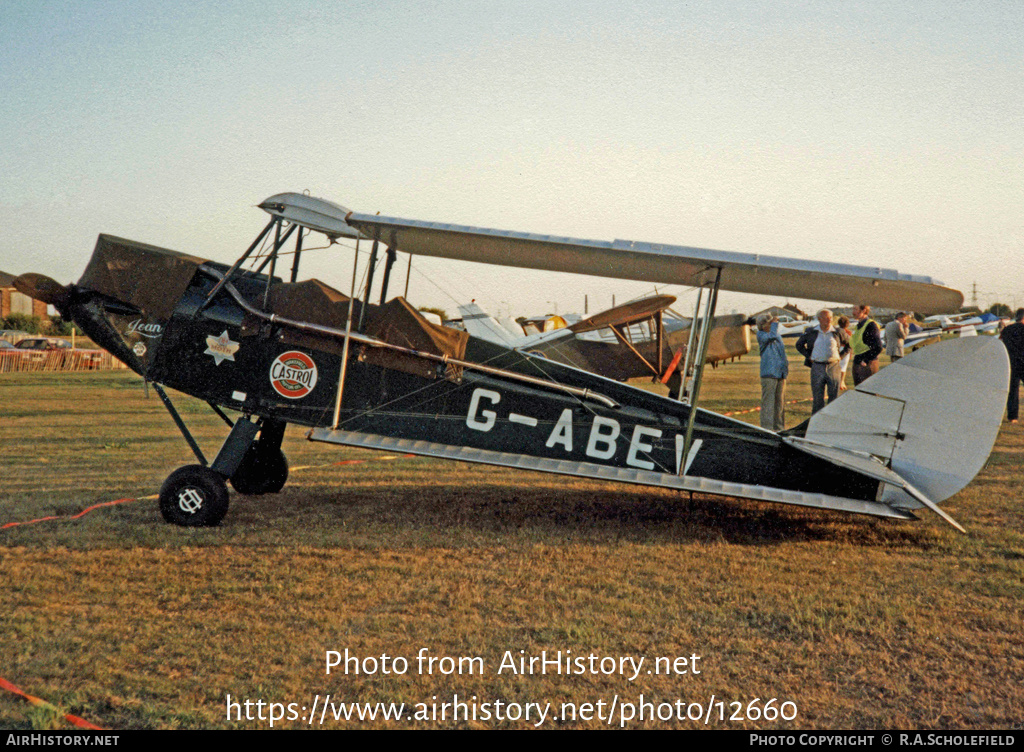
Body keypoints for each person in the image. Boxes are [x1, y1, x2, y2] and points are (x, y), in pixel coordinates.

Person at [796, 309, 850, 414]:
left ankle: (831, 424)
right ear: (819, 319)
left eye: (831, 317)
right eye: (826, 318)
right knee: (817, 399)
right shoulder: (811, 331)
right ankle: (816, 423)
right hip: (817, 367)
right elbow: (799, 345)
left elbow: (850, 345)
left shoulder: (838, 332)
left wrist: (841, 356)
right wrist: (809, 356)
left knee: (833, 398)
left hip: (833, 366)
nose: (829, 320)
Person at [755, 314, 788, 431]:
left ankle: (779, 428)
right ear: (763, 326)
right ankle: (767, 429)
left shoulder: (776, 335)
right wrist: (774, 324)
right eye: (769, 324)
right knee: (768, 404)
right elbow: (772, 336)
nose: (772, 325)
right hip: (769, 373)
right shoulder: (761, 335)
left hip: (780, 373)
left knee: (780, 404)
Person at [999, 308, 1024, 423]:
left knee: (1013, 391)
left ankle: (1012, 417)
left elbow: (1001, 343)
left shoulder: (1007, 329)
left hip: (1011, 363)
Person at [851, 304, 882, 385]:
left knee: (868, 393)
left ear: (864, 310)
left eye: (855, 309)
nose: (853, 312)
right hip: (858, 362)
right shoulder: (859, 325)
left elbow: (878, 347)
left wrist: (865, 360)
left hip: (867, 365)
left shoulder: (870, 325)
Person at [836, 314, 852, 391]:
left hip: (837, 349)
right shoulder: (848, 332)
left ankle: (837, 381)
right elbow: (850, 344)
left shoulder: (836, 331)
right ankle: (842, 382)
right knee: (843, 367)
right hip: (845, 350)